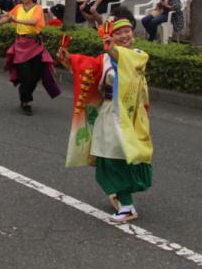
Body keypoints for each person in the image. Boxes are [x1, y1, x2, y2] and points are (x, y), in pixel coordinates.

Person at [56, 13, 154, 223]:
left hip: (129, 116)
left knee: (121, 157)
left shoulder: (138, 55)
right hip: (109, 113)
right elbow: (87, 67)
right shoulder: (105, 58)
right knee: (107, 159)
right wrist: (68, 58)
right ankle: (122, 197)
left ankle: (126, 204)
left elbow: (128, 63)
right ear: (110, 35)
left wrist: (113, 49)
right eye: (118, 32)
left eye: (127, 31)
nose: (124, 35)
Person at [0, 0, 61, 114]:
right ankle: (26, 101)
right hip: (21, 45)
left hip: (35, 46)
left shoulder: (37, 9)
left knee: (35, 77)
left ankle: (25, 95)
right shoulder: (18, 7)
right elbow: (8, 18)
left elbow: (34, 22)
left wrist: (16, 19)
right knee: (26, 76)